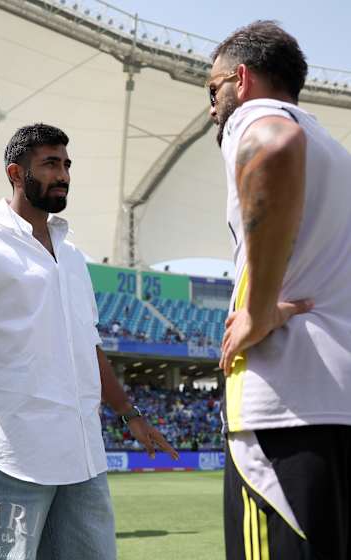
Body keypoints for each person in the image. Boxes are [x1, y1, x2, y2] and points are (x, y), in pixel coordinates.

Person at [0, 123, 177, 560]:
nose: (63, 174)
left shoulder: (72, 255)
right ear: (15, 172)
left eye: (66, 164)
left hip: (81, 453)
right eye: (49, 164)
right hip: (8, 452)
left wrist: (128, 412)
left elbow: (88, 342)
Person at [207, 21, 351, 560]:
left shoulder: (256, 117)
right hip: (337, 405)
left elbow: (273, 143)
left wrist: (259, 310)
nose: (212, 108)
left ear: (240, 79)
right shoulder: (334, 151)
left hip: (280, 404)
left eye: (212, 89)